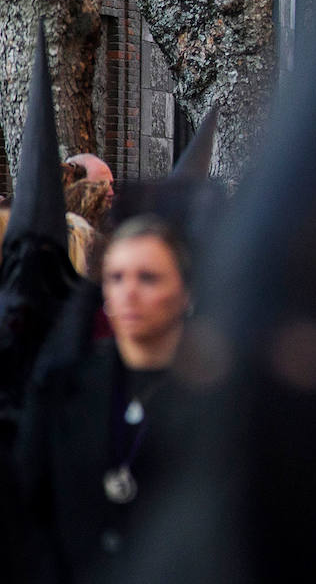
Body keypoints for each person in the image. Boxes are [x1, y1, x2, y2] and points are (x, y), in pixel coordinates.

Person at [15, 216, 197, 581]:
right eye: (116, 277)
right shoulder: (64, 385)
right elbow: (29, 505)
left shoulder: (213, 395)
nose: (128, 291)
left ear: (185, 292)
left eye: (148, 277)